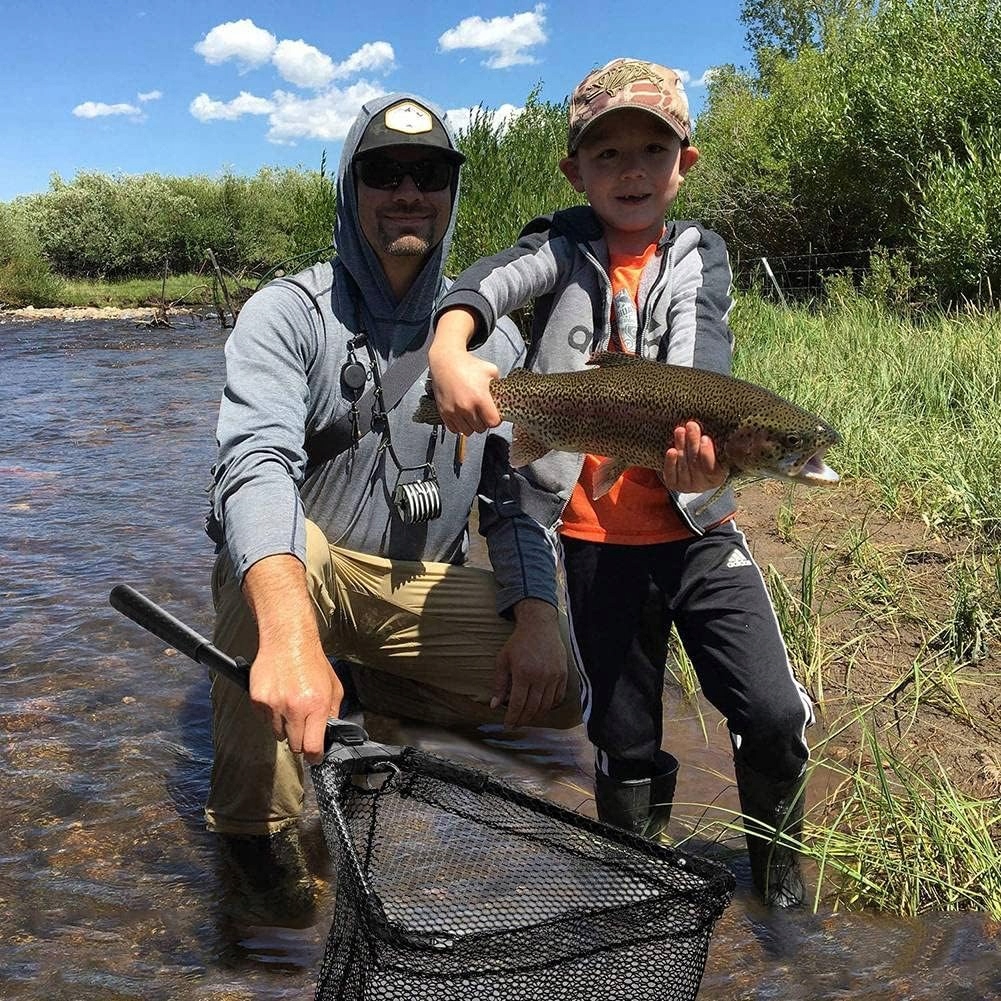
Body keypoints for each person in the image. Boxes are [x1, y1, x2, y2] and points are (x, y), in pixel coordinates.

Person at [427, 58, 814, 907]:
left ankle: (778, 885)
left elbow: (700, 359)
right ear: (575, 171)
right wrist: (450, 349)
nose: (631, 170)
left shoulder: (698, 256)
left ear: (686, 163)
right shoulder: (557, 247)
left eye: (651, 149)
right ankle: (638, 889)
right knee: (623, 733)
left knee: (775, 712)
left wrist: (702, 455)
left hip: (700, 534)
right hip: (596, 549)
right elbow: (489, 283)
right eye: (606, 155)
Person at [207, 92, 581, 921]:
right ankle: (252, 831)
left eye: (431, 173)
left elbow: (516, 499)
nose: (408, 191)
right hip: (310, 581)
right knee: (260, 551)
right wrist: (293, 632)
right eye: (384, 172)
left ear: (452, 191)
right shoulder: (287, 314)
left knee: (561, 688)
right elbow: (254, 463)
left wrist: (536, 613)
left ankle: (377, 682)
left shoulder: (497, 342)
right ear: (351, 187)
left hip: (413, 588)